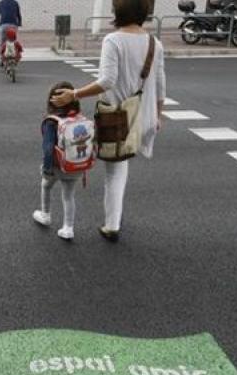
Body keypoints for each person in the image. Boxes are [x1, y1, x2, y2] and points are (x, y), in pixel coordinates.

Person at [50, 0, 166, 243]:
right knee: (121, 167)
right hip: (142, 116)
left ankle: (111, 224)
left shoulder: (113, 40)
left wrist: (75, 94)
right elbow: (160, 83)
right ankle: (113, 218)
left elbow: (107, 81)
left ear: (117, 11)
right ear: (144, 12)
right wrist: (158, 114)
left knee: (113, 169)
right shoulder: (155, 44)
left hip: (117, 119)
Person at [33, 82, 84, 241]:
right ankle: (68, 228)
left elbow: (48, 148)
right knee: (68, 196)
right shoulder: (78, 118)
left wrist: (47, 169)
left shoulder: (51, 121)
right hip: (75, 166)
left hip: (57, 165)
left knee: (46, 186)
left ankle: (45, 214)